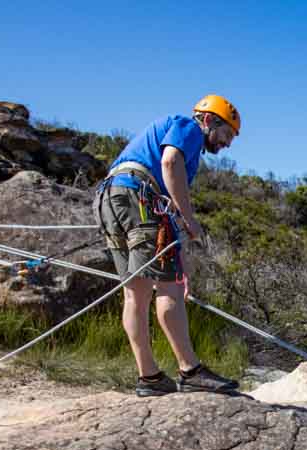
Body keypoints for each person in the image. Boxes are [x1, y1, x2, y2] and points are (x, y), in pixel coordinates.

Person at [93, 95, 242, 397]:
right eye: (227, 134)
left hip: (111, 198)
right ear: (210, 120)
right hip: (140, 197)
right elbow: (170, 162)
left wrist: (183, 265)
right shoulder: (188, 126)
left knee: (135, 294)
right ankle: (190, 371)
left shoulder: (169, 133)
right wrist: (191, 221)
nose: (227, 144)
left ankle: (150, 378)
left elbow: (168, 219)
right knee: (167, 289)